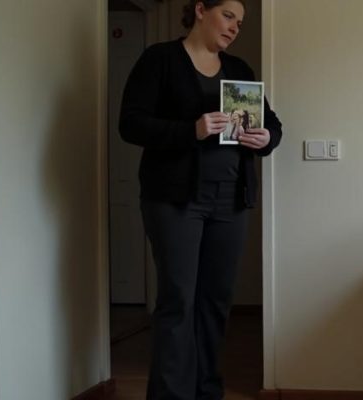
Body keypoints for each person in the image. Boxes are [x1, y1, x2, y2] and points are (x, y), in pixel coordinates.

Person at [118, 0, 282, 398]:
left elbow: (272, 125)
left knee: (215, 302)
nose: (235, 28)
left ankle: (207, 390)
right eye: (228, 16)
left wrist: (266, 139)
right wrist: (190, 130)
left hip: (231, 200)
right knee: (178, 300)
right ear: (201, 9)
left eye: (240, 22)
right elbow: (130, 124)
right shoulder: (160, 59)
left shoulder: (239, 69)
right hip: (174, 200)